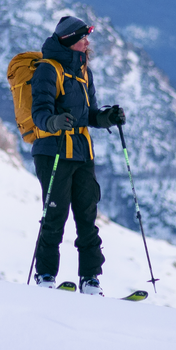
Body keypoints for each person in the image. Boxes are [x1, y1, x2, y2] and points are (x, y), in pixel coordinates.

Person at [29, 15, 125, 295]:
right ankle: (45, 275)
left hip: (82, 153)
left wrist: (107, 117)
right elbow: (40, 113)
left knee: (87, 215)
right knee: (55, 215)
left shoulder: (84, 72)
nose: (87, 41)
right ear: (70, 41)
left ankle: (90, 279)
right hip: (53, 151)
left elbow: (89, 115)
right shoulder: (48, 70)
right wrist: (54, 122)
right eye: (83, 37)